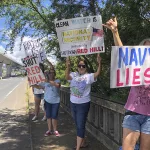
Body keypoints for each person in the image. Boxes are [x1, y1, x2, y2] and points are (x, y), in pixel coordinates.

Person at [103, 17, 150, 150]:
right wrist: (115, 31)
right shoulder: (134, 67)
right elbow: (122, 53)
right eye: (145, 48)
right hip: (133, 113)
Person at [65, 54, 101, 150]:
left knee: (80, 125)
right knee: (77, 124)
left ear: (86, 67)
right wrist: (68, 67)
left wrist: (99, 63)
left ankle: (78, 147)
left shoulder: (88, 76)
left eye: (83, 66)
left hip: (83, 104)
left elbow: (97, 73)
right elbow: (67, 77)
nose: (81, 67)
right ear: (77, 67)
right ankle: (83, 142)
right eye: (79, 65)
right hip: (73, 103)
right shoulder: (73, 74)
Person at [32, 63, 61, 137]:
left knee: (54, 116)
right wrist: (32, 83)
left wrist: (47, 79)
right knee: (48, 116)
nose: (51, 74)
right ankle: (49, 130)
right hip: (47, 101)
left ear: (54, 74)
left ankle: (55, 130)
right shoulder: (45, 82)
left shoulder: (57, 80)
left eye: (52, 73)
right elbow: (39, 86)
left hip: (55, 102)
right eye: (49, 73)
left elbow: (57, 85)